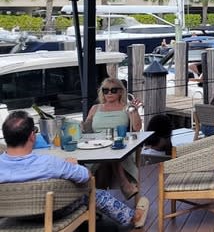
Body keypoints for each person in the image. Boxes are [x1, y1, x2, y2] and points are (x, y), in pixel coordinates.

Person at [0, 111, 149, 228]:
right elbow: (86, 176)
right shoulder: (50, 163)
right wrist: (73, 165)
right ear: (32, 136)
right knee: (94, 193)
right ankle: (133, 217)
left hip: (12, 215)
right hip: (52, 212)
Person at [82, 77, 143, 199]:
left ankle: (98, 199)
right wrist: (82, 125)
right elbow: (86, 130)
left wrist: (134, 111)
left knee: (112, 152)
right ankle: (123, 184)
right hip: (97, 145)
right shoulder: (95, 108)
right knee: (105, 160)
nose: (109, 93)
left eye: (113, 90)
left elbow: (136, 128)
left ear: (120, 92)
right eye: (106, 90)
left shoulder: (126, 107)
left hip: (119, 145)